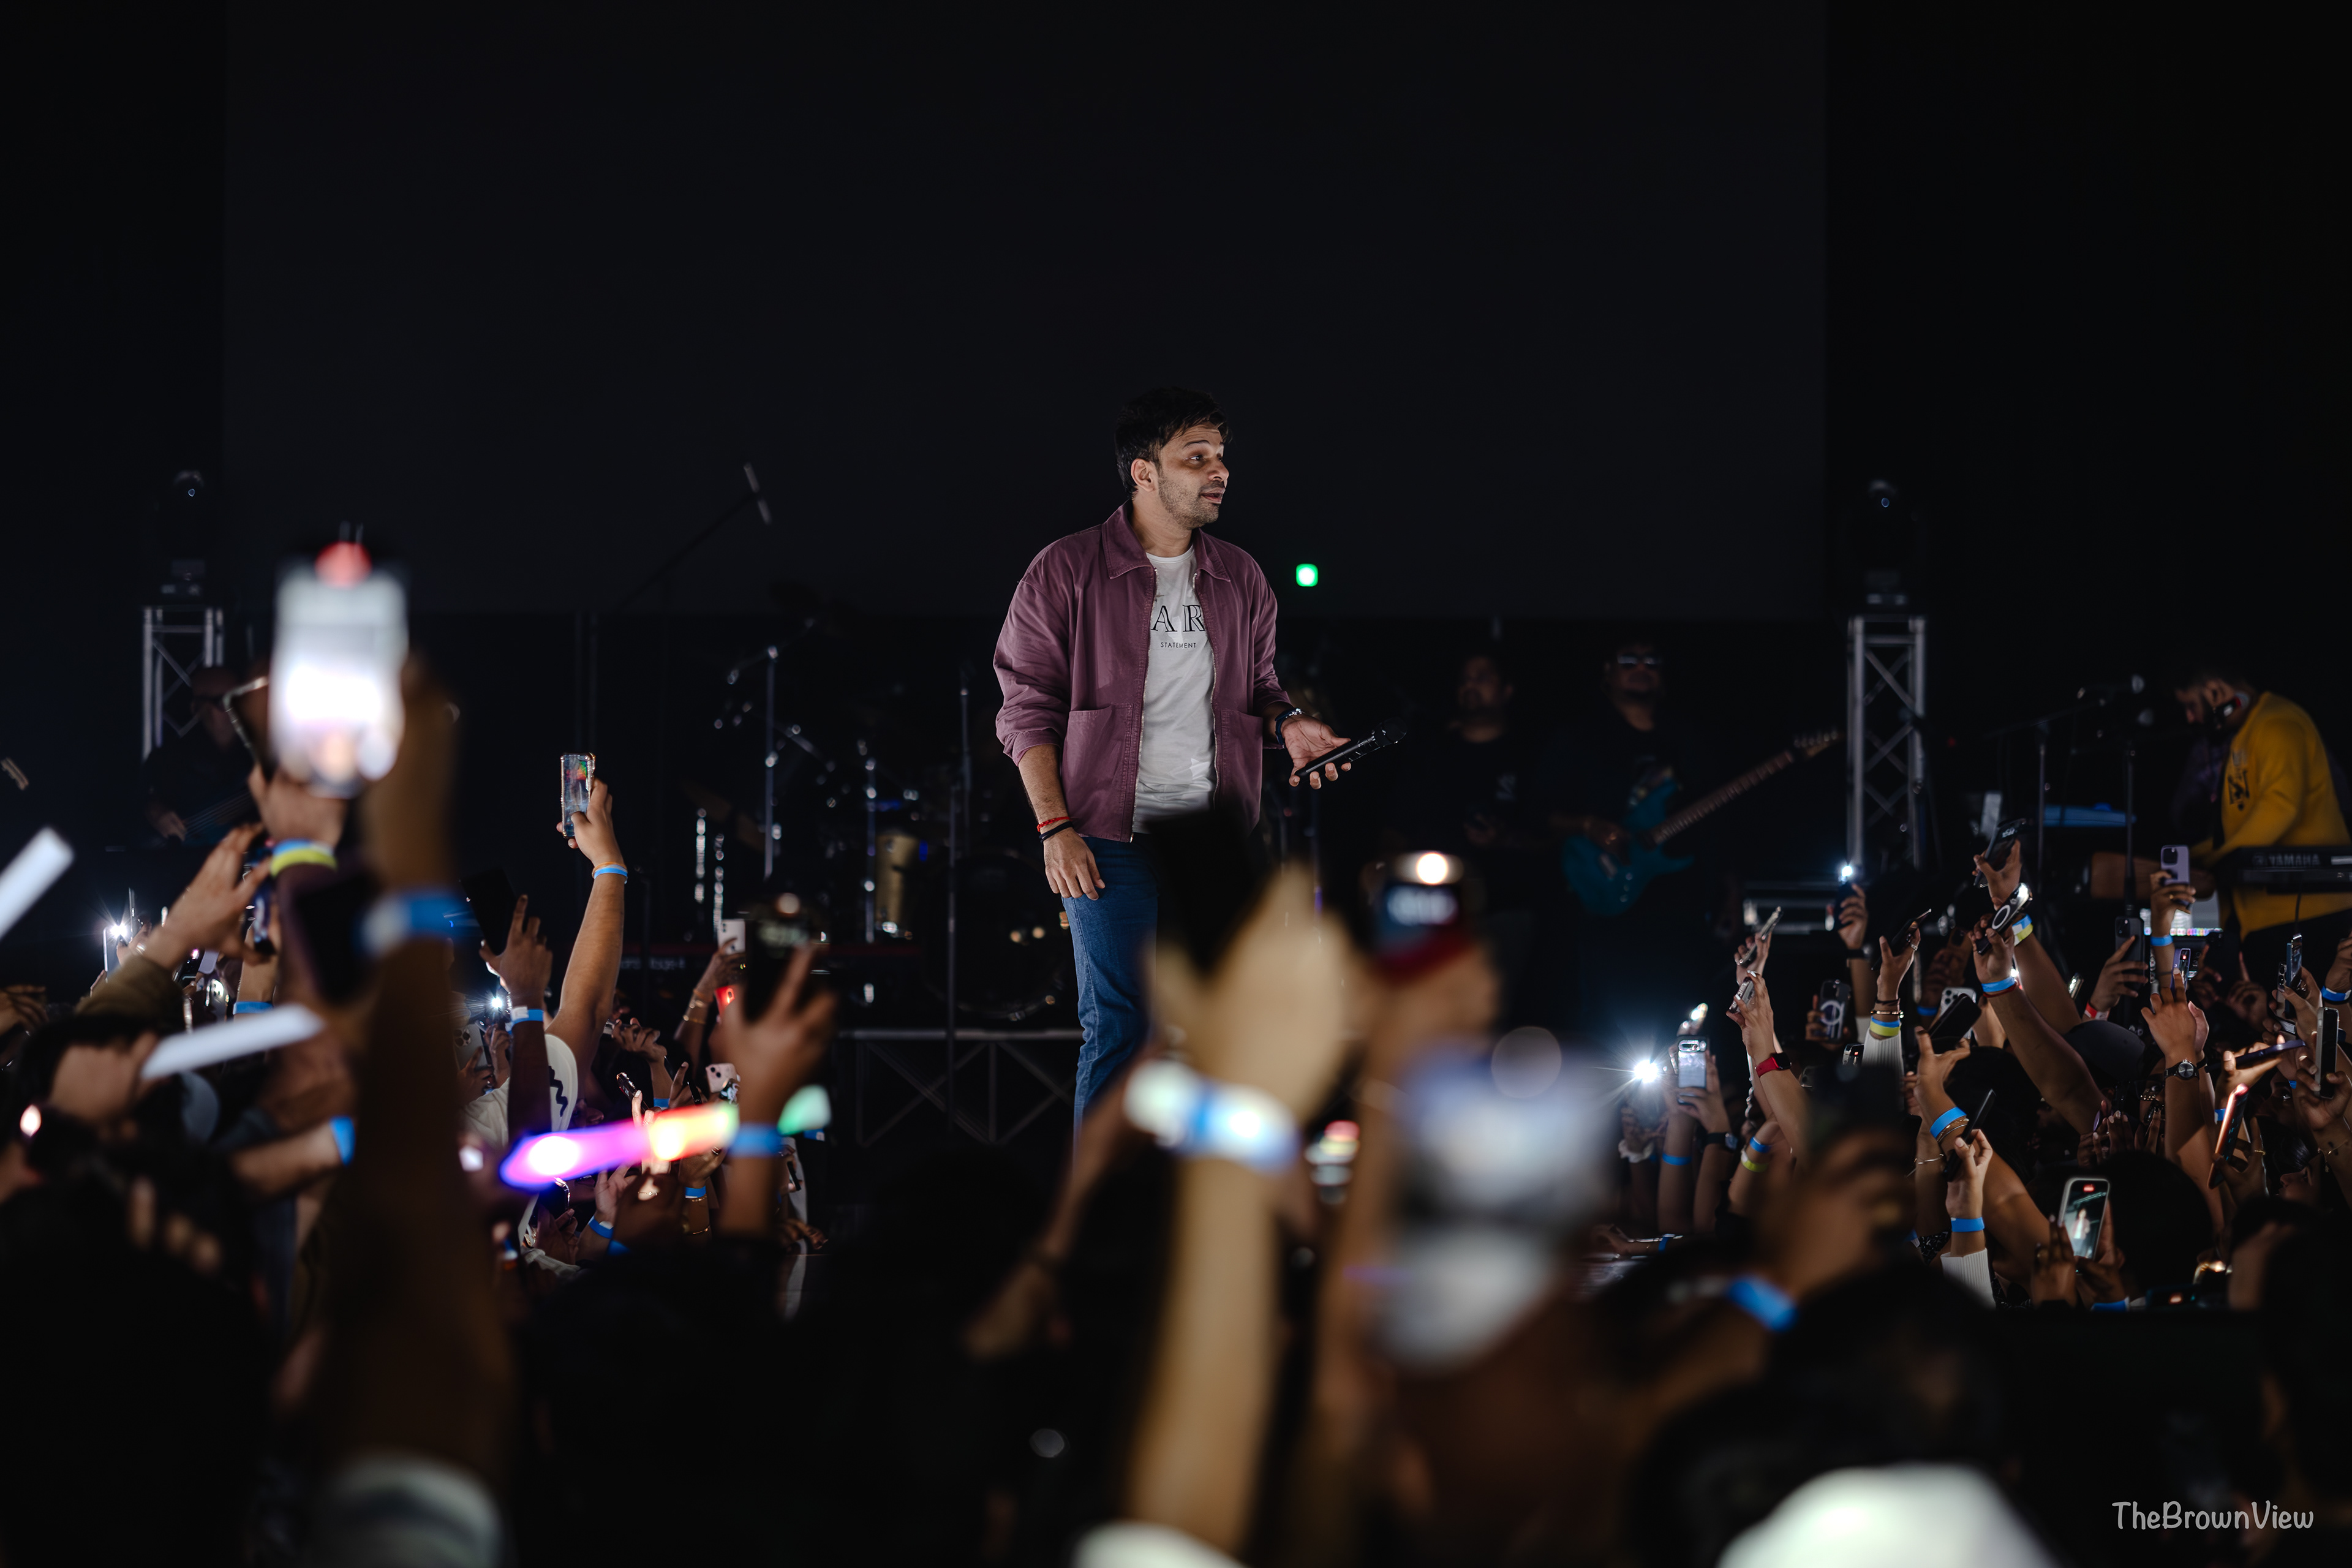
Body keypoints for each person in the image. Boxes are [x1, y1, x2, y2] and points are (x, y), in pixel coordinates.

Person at [992, 387, 1346, 1122]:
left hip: (1212, 835)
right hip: (1105, 835)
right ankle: (1107, 1195)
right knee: (1122, 1030)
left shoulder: (1242, 576)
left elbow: (1261, 687)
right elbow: (1026, 708)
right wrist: (1055, 828)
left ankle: (1206, 1190)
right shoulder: (1066, 569)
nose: (1220, 472)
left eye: (1221, 456)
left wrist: (1290, 723)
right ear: (1144, 472)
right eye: (1197, 457)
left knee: (1220, 1032)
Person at [1539, 636, 1729, 1044]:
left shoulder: (1687, 737)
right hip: (1604, 907)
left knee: (1681, 1015)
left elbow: (1719, 822)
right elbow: (1539, 814)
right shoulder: (1580, 736)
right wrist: (1588, 825)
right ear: (1608, 673)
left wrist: (1730, 888)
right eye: (1629, 660)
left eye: (1651, 660)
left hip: (1678, 906)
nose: (1641, 667)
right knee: (1606, 1019)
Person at [1381, 649, 1553, 1023]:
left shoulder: (1530, 755)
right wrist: (1389, 870)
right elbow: (1396, 825)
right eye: (1465, 679)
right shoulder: (1431, 753)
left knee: (1498, 1017)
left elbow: (1553, 836)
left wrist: (1506, 839)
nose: (1471, 686)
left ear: (1507, 690)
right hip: (1434, 912)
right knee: (1433, 1018)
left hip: (1506, 912)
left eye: (1483, 677)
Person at [2171, 654, 2352, 984]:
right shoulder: (2247, 735)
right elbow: (2238, 832)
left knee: (2314, 1015)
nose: (2190, 717)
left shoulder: (2277, 723)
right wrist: (2195, 858)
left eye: (2191, 705)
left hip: (2311, 917)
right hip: (2267, 922)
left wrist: (2216, 859)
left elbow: (2281, 806)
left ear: (2214, 691)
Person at [140, 665, 258, 845]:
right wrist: (153, 810)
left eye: (240, 699)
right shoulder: (167, 761)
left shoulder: (264, 754)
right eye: (225, 702)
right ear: (197, 708)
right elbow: (131, 812)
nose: (237, 709)